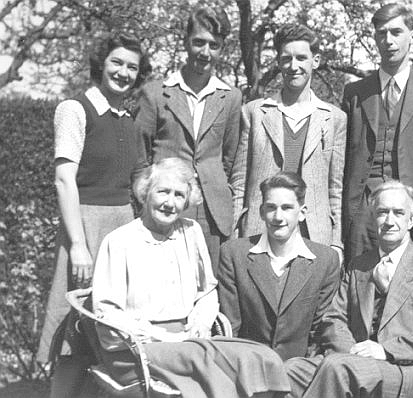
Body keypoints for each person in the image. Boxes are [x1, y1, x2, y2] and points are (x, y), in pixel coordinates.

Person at [92, 158, 291, 398]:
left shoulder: (191, 231)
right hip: (139, 350)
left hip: (190, 340)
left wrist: (201, 322)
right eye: (163, 192)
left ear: (187, 201)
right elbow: (106, 312)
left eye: (178, 195)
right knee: (209, 364)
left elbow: (207, 290)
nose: (169, 202)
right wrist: (158, 336)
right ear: (145, 193)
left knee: (260, 356)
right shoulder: (119, 241)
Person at [36, 32, 151, 398]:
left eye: (132, 67)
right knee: (74, 333)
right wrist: (79, 245)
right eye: (117, 62)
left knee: (113, 334)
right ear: (100, 64)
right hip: (84, 227)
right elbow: (63, 179)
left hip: (122, 228)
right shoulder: (75, 109)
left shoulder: (128, 119)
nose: (123, 72)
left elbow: (135, 183)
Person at [289, 180, 413, 398]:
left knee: (337, 369)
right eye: (382, 212)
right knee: (292, 371)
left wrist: (386, 350)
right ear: (373, 218)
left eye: (398, 213)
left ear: (412, 219)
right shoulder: (358, 266)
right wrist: (351, 352)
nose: (389, 221)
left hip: (410, 368)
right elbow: (334, 318)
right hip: (356, 361)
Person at [134, 5, 242, 272]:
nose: (205, 53)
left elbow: (229, 158)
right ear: (185, 42)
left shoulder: (230, 98)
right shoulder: (156, 94)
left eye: (214, 45)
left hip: (211, 213)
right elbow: (139, 158)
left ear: (222, 49)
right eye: (199, 42)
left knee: (206, 285)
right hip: (163, 206)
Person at [342, 3, 413, 261]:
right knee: (360, 286)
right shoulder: (355, 93)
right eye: (381, 33)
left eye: (396, 32)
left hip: (410, 212)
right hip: (363, 213)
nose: (388, 40)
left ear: (412, 34)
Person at [231, 24, 346, 262]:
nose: (294, 67)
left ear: (315, 61)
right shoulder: (254, 112)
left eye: (301, 58)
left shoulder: (334, 118)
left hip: (313, 235)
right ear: (279, 63)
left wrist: (336, 242)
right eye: (286, 59)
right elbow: (240, 182)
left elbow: (335, 189)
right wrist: (235, 235)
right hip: (260, 232)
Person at [218, 172, 340, 363]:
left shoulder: (325, 260)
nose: (278, 217)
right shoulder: (234, 254)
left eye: (287, 208)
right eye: (271, 208)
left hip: (300, 372)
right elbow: (230, 328)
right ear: (261, 212)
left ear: (302, 213)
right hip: (247, 368)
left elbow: (320, 331)